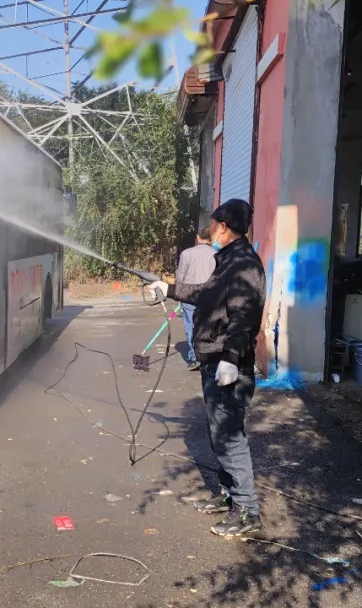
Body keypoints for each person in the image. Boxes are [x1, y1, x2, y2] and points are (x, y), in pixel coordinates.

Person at [146, 199, 266, 538]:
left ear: (223, 227)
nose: (209, 229)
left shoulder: (244, 264)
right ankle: (229, 496)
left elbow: (244, 316)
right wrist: (168, 289)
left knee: (229, 437)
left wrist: (231, 357)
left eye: (213, 224)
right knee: (219, 434)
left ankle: (248, 513)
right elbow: (205, 294)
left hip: (228, 363)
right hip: (215, 359)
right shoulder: (228, 260)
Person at [175, 227, 217, 371]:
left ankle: (195, 357)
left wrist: (178, 293)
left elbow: (180, 276)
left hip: (189, 295)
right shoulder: (217, 254)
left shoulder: (187, 253)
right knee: (209, 325)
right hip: (210, 295)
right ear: (211, 239)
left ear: (198, 237)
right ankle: (209, 356)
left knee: (191, 326)